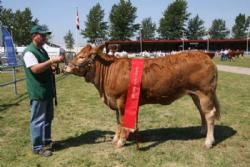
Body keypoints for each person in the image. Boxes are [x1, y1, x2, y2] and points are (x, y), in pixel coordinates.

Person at [22, 25, 64, 157]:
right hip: (38, 91)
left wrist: (51, 67)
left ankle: (46, 141)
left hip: (46, 90)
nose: (45, 37)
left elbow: (43, 66)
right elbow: (35, 69)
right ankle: (37, 146)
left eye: (46, 35)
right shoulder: (29, 51)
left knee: (48, 118)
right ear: (34, 35)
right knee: (38, 120)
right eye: (43, 35)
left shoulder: (42, 50)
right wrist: (51, 61)